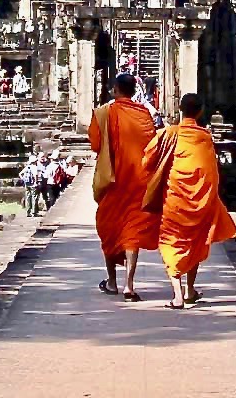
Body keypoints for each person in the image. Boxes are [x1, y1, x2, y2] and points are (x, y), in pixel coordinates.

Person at [143, 93, 236, 310]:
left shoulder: (168, 134)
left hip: (175, 199)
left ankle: (179, 294)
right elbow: (212, 173)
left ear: (180, 109)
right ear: (201, 111)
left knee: (171, 241)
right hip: (200, 200)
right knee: (195, 239)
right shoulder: (205, 137)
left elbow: (147, 159)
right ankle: (190, 290)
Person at [89, 72, 160, 301]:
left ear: (116, 90)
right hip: (139, 181)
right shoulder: (144, 113)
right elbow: (152, 145)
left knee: (109, 228)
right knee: (132, 232)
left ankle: (112, 281)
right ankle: (129, 284)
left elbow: (95, 144)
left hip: (114, 180)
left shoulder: (104, 113)